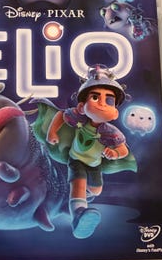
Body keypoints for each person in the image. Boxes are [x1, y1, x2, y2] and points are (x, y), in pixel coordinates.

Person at [47, 65, 129, 239]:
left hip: (94, 164)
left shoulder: (111, 132)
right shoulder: (79, 118)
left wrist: (115, 153)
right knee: (78, 184)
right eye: (95, 97)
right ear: (82, 106)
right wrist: (52, 132)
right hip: (76, 159)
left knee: (96, 190)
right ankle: (78, 215)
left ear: (115, 113)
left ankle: (77, 196)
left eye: (109, 101)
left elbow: (123, 149)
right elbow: (61, 115)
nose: (102, 103)